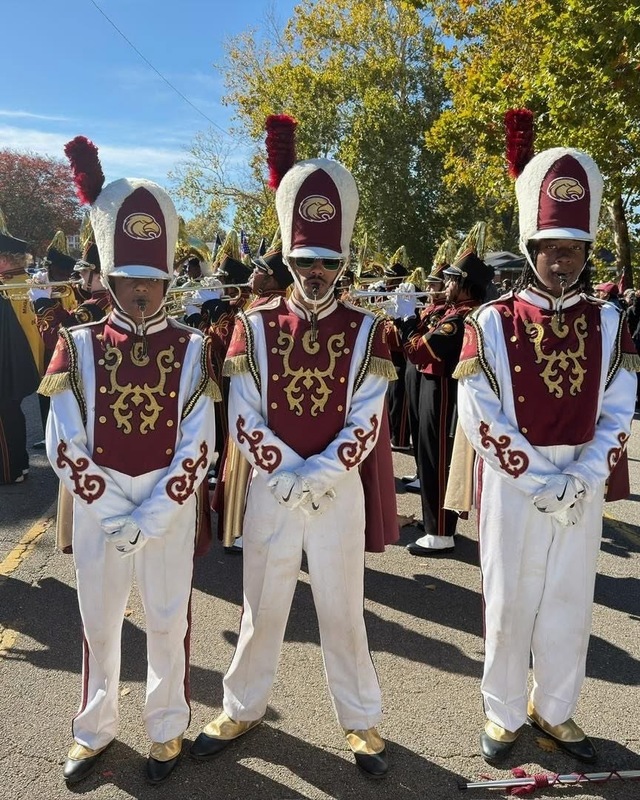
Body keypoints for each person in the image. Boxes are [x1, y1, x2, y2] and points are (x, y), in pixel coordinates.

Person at [190, 157, 397, 777]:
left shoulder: (367, 330)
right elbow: (244, 415)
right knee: (261, 605)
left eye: (327, 261)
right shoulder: (251, 325)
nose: (315, 272)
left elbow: (368, 416)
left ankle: (361, 719)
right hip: (273, 488)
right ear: (286, 257)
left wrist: (322, 474)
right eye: (304, 259)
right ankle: (242, 705)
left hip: (336, 492)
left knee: (343, 609)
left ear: (343, 262)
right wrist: (286, 473)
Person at [40, 135, 218, 785]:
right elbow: (63, 440)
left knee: (170, 622)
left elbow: (200, 441)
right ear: (109, 277)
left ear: (167, 278)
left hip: (166, 511)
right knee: (97, 624)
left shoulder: (195, 347)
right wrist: (114, 508)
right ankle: (94, 729)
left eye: (151, 277)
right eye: (128, 276)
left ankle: (167, 727)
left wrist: (157, 508)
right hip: (99, 509)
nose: (140, 289)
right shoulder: (76, 343)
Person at [454, 144, 638, 764]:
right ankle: (502, 713)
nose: (566, 262)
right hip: (516, 483)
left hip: (581, 483)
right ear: (533, 250)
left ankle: (554, 710)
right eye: (555, 249)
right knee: (508, 599)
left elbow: (619, 407)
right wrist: (537, 477)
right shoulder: (489, 320)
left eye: (576, 250)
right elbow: (479, 415)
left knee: (568, 600)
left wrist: (585, 476)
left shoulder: (610, 321)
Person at [393, 226, 493, 556]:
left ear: (466, 285)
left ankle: (441, 532)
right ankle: (432, 519)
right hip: (431, 389)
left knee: (438, 461)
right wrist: (407, 320)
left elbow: (421, 350)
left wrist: (407, 321)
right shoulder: (451, 313)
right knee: (429, 457)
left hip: (444, 393)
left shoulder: (463, 318)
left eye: (452, 280)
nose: (446, 285)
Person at [0, 226, 40, 484]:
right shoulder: (25, 283)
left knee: (7, 412)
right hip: (24, 359)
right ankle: (18, 463)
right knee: (11, 410)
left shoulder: (9, 290)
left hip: (13, 359)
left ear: (4, 259)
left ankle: (12, 467)